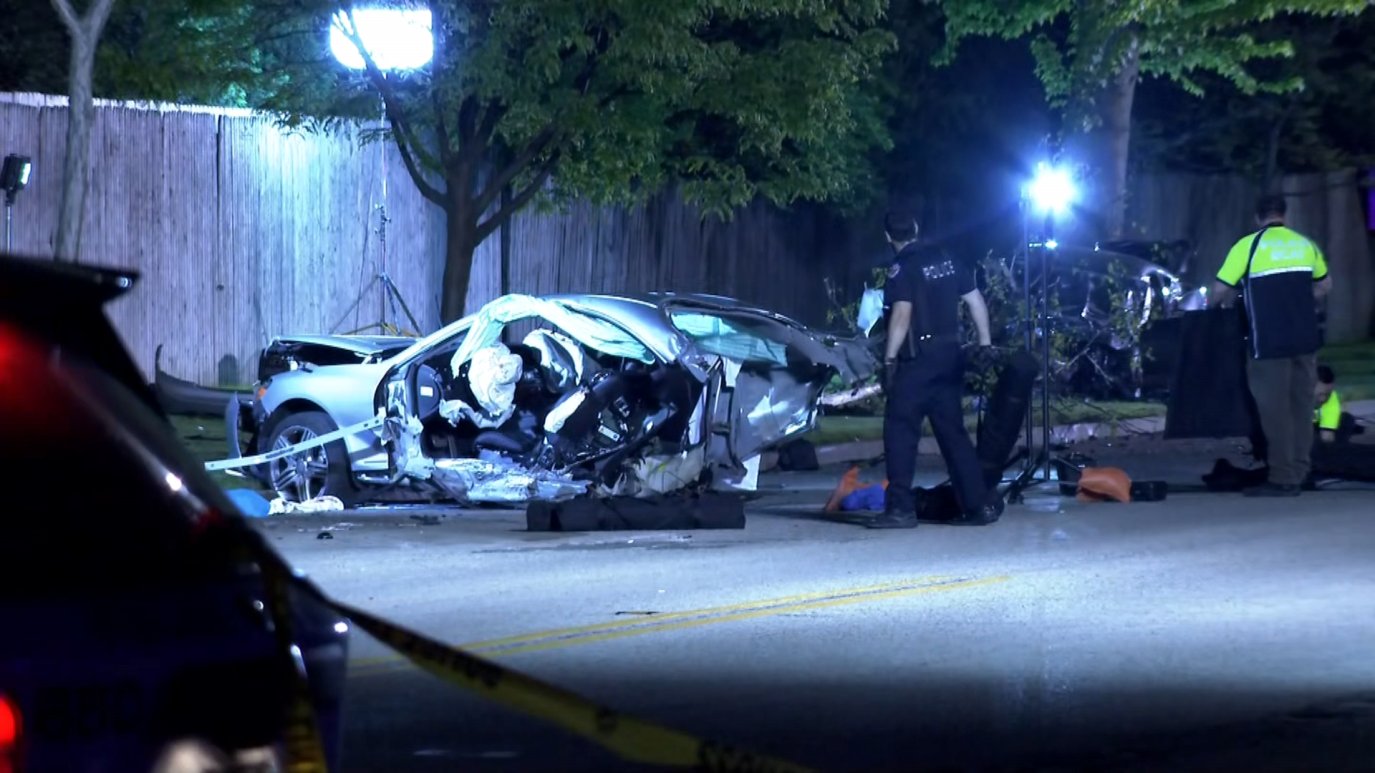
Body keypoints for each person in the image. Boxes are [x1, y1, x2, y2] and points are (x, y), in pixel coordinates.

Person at [869, 211, 1001, 528]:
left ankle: (900, 509)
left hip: (918, 361)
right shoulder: (947, 259)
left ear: (888, 237)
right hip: (950, 356)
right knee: (954, 434)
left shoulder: (902, 269)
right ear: (915, 228)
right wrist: (985, 344)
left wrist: (889, 360)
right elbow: (975, 301)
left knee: (900, 430)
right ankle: (977, 505)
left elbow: (902, 315)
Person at [1208, 194, 1332, 497]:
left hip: (1269, 343)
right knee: (1301, 408)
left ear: (1257, 217)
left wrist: (1215, 309)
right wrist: (1301, 302)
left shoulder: (1248, 246)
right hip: (1305, 340)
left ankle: (1282, 478)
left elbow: (1219, 291)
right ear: (1284, 216)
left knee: (1275, 412)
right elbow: (1325, 285)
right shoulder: (1304, 244)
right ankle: (1300, 471)